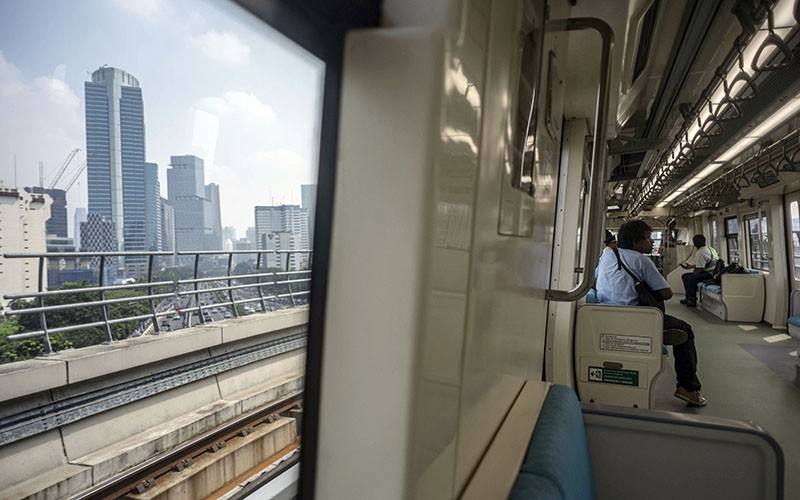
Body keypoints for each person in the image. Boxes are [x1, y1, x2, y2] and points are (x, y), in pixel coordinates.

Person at [595, 220, 707, 407]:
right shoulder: (642, 260)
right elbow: (666, 293)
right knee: (685, 331)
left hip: (606, 316)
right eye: (648, 238)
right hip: (638, 320)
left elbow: (595, 281)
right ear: (635, 241)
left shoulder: (607, 255)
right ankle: (688, 388)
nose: (652, 242)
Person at [680, 234, 719, 307]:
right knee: (685, 276)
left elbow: (700, 269)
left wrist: (694, 273)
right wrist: (692, 266)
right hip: (716, 272)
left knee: (690, 278)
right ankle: (688, 297)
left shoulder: (700, 252)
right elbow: (707, 263)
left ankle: (692, 299)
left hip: (710, 274)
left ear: (694, 243)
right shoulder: (710, 249)